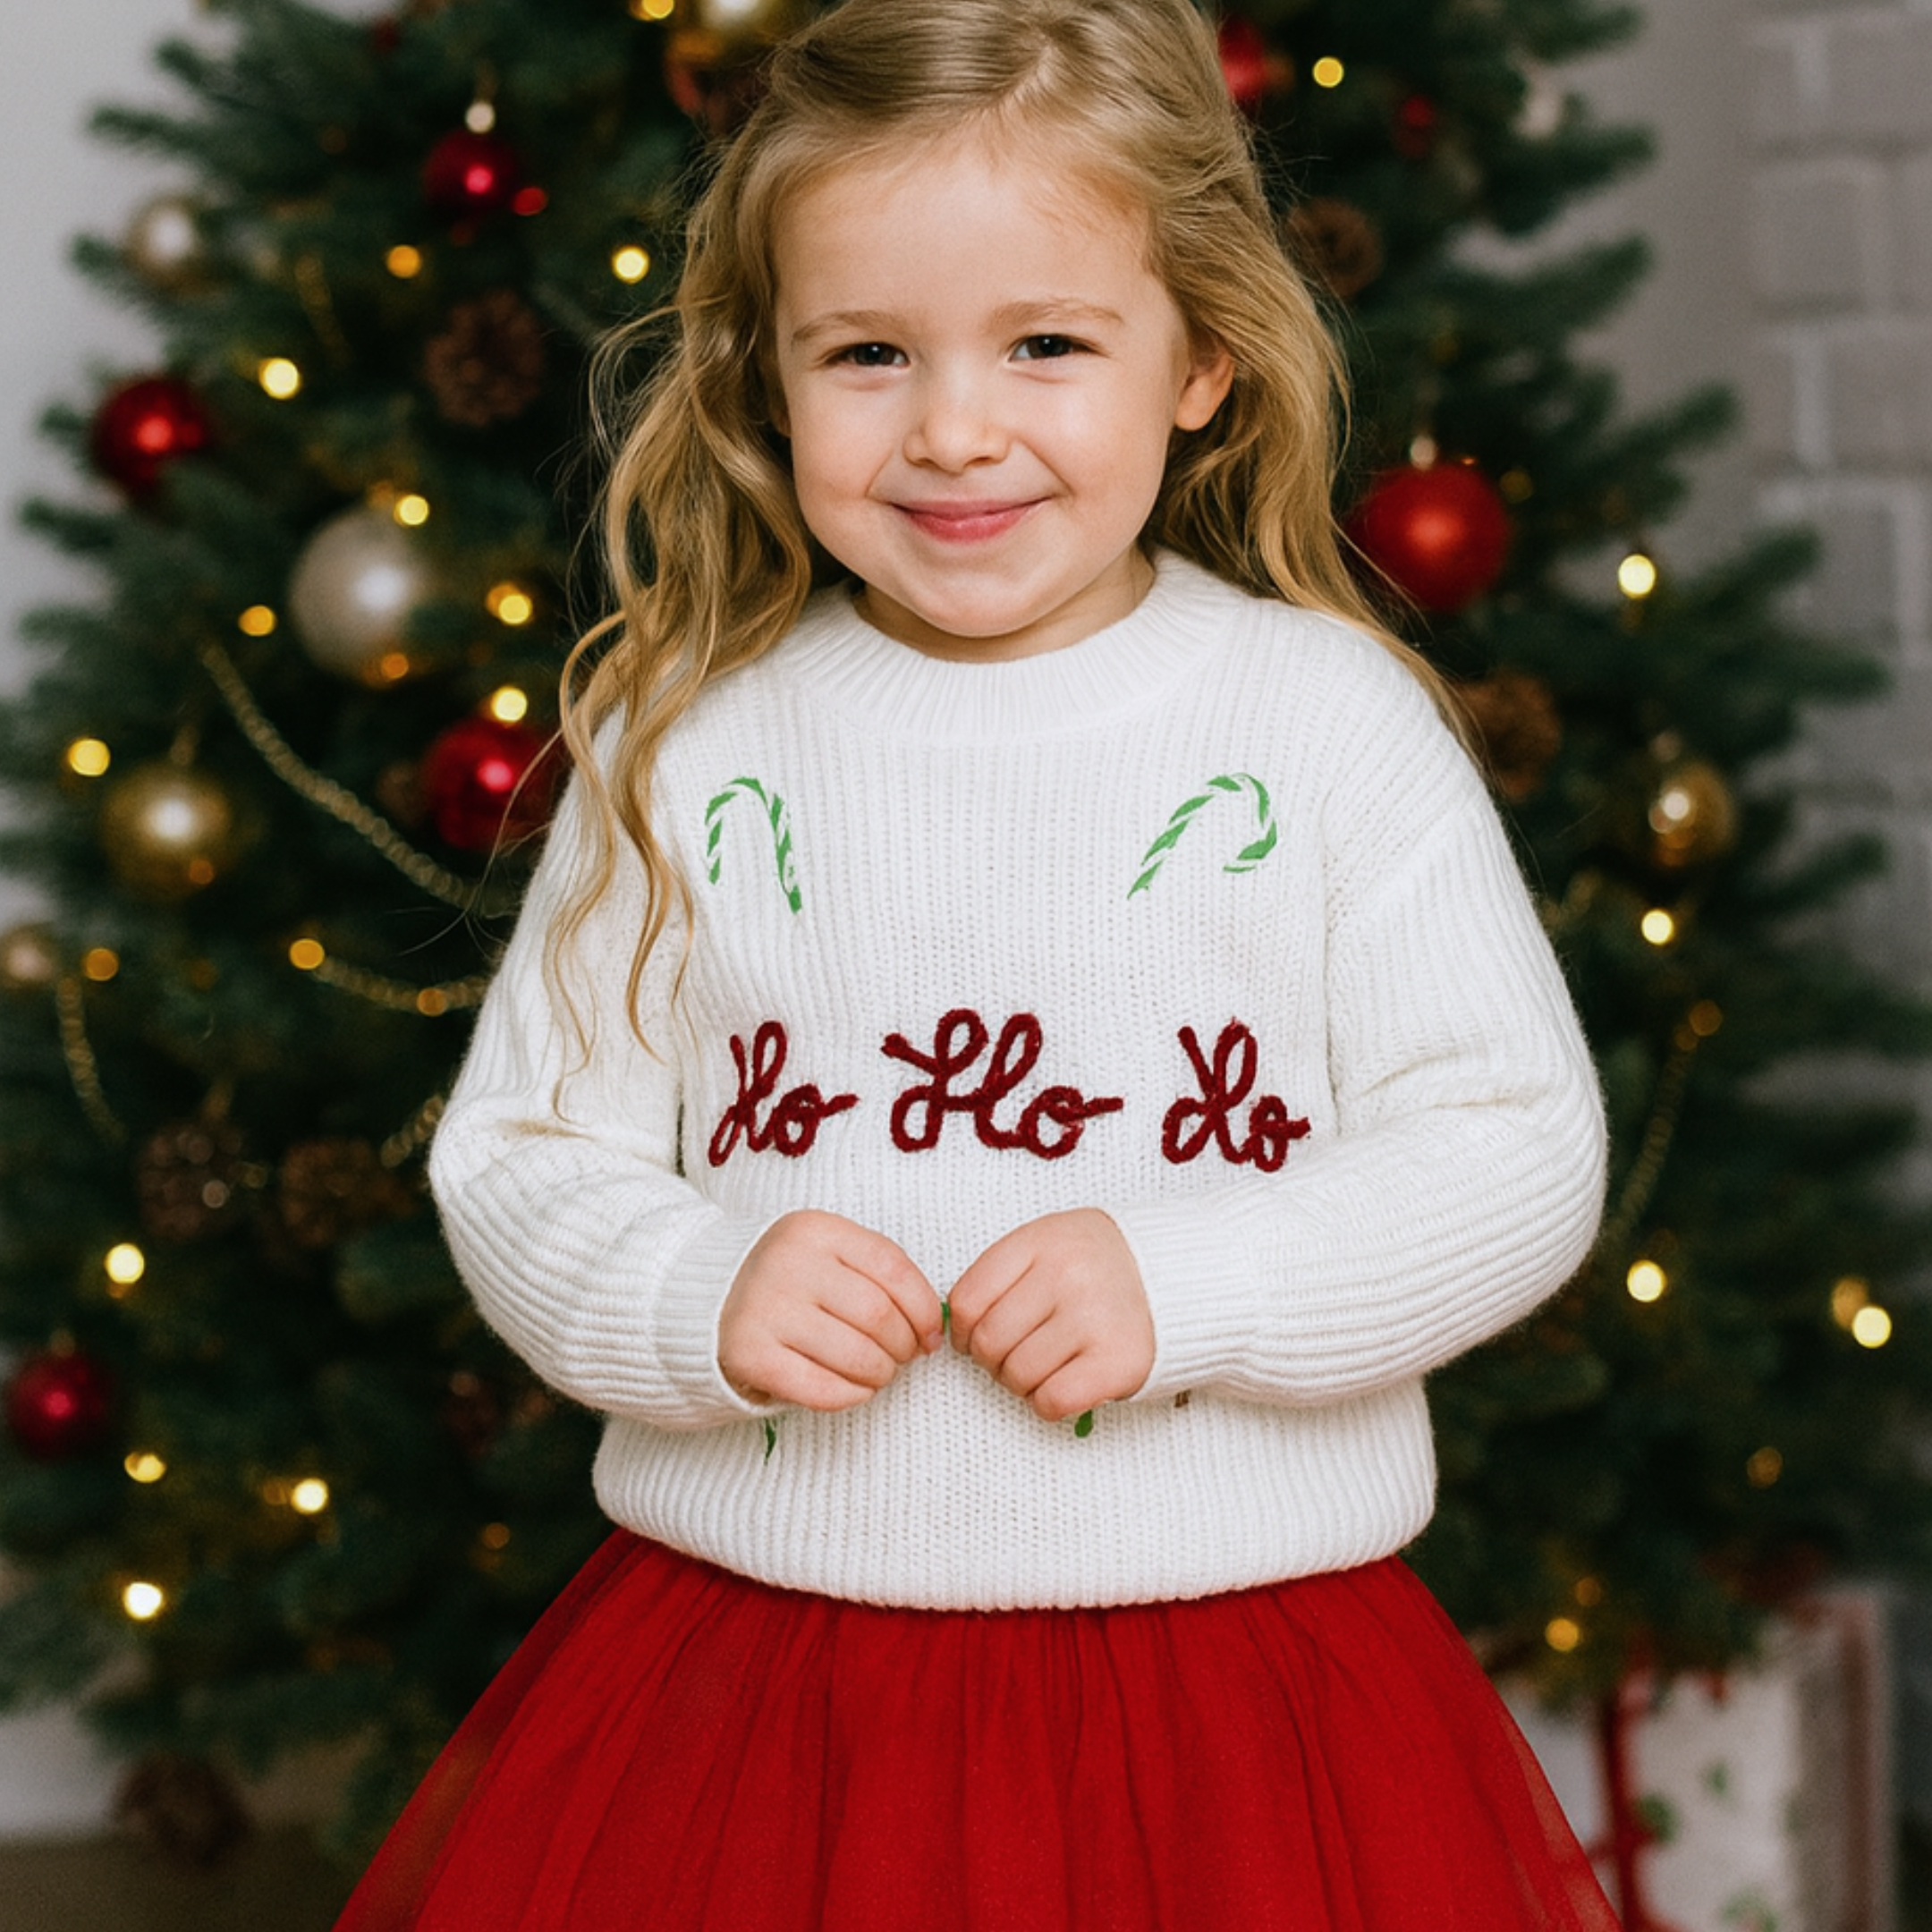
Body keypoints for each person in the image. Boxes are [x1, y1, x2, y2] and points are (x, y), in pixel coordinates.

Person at [335, 0, 1617, 1925]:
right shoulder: (687, 743)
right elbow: (521, 1155)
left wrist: (1201, 1279)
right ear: (766, 379)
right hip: (756, 1681)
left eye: (1044, 344)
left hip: (1236, 1693)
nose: (953, 427)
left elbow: (1513, 1144)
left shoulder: (1322, 719)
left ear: (1197, 357)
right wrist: (696, 1286)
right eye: (868, 353)